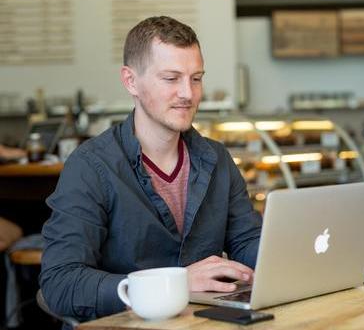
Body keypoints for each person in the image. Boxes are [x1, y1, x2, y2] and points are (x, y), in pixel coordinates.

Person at [40, 16, 262, 323]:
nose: (188, 93)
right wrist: (175, 284)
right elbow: (61, 284)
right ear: (131, 81)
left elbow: (246, 242)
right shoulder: (90, 166)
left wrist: (286, 258)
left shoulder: (217, 158)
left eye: (196, 78)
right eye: (171, 79)